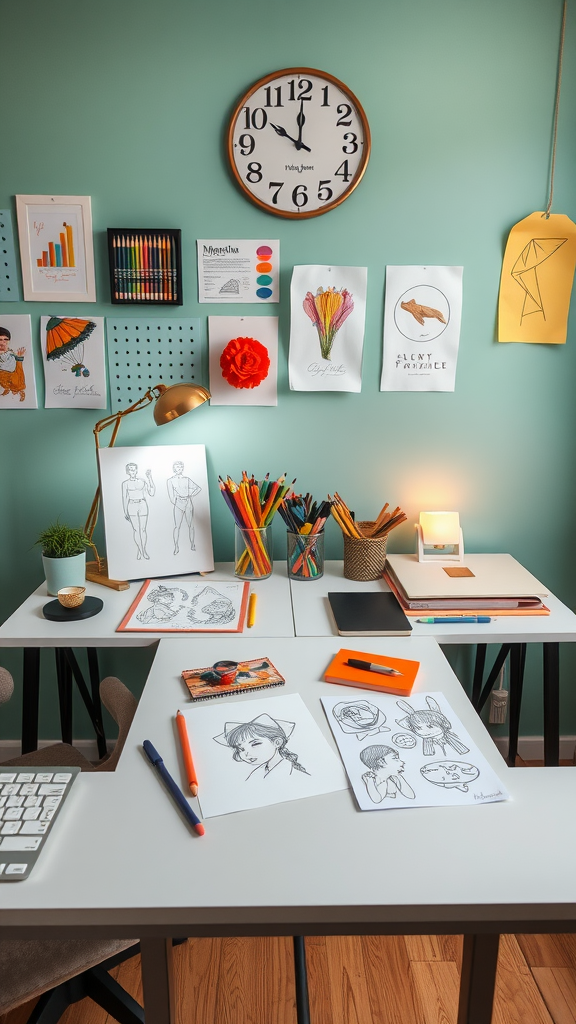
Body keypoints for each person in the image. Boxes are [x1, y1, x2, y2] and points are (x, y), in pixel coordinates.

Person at [214, 713, 309, 781]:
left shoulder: (294, 772)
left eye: (255, 744)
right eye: (240, 749)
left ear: (277, 742)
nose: (246, 753)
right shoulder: (256, 774)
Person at [121, 463, 155, 560]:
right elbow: (124, 498)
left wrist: (150, 478)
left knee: (143, 529)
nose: (133, 471)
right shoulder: (125, 483)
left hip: (142, 504)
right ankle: (141, 550)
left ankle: (142, 550)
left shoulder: (142, 481)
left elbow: (152, 492)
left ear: (137, 470)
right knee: (136, 529)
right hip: (131, 505)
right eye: (131, 469)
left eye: (134, 469)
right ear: (127, 471)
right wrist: (125, 511)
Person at [166, 462, 201, 555]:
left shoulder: (187, 479)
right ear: (174, 469)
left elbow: (198, 488)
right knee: (177, 526)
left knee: (191, 525)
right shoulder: (170, 480)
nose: (179, 469)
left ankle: (193, 544)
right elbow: (171, 497)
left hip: (188, 502)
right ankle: (176, 546)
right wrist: (178, 502)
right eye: (177, 467)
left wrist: (190, 495)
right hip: (178, 504)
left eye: (181, 467)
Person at [0, 326, 26, 402]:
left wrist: (19, 357)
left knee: (18, 377)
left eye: (5, 340)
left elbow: (18, 366)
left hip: (12, 374)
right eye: (0, 340)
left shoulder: (11, 353)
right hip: (2, 376)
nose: (2, 342)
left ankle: (18, 390)